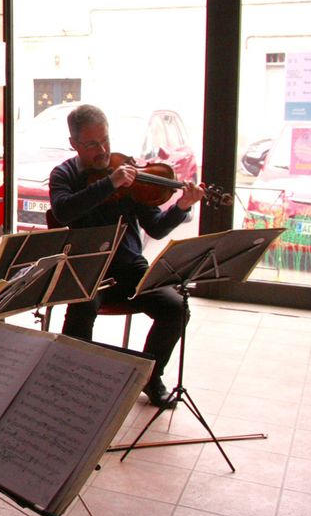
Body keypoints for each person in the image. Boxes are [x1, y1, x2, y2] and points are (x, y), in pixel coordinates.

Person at [48, 104, 205, 409]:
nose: (103, 150)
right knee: (81, 312)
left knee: (175, 308)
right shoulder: (64, 174)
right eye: (92, 144)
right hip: (87, 270)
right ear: (75, 145)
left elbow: (157, 229)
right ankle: (71, 383)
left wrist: (182, 206)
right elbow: (63, 210)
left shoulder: (128, 172)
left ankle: (151, 376)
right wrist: (110, 184)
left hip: (130, 268)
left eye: (105, 140)